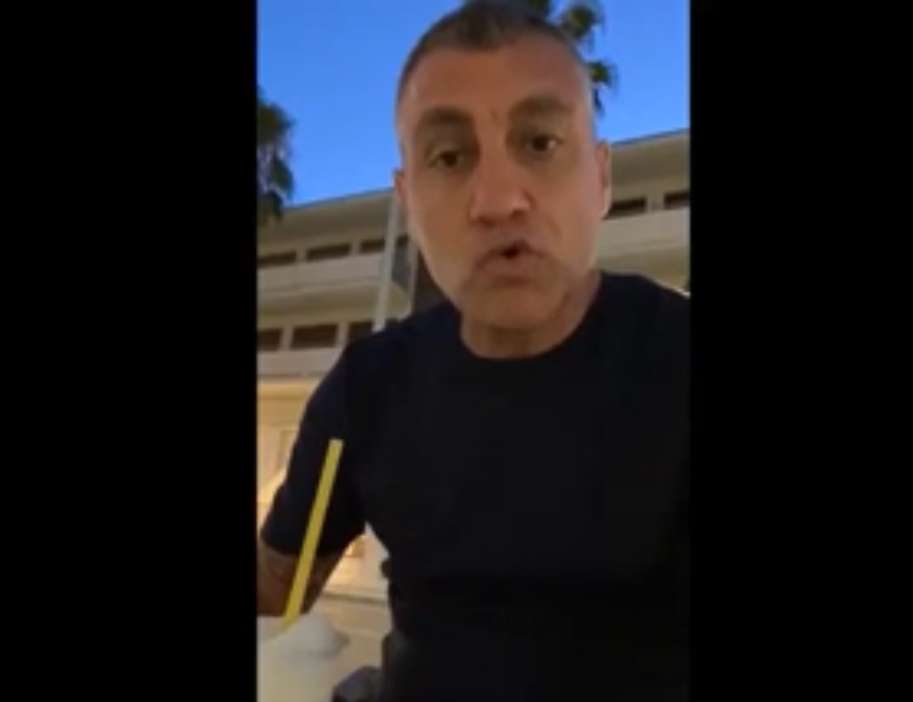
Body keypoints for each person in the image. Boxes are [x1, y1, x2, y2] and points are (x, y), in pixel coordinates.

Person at [257, 3, 690, 701]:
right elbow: (275, 593)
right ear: (408, 201)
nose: (497, 200)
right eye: (449, 157)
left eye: (541, 142)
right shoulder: (367, 386)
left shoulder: (676, 357)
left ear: (601, 178)